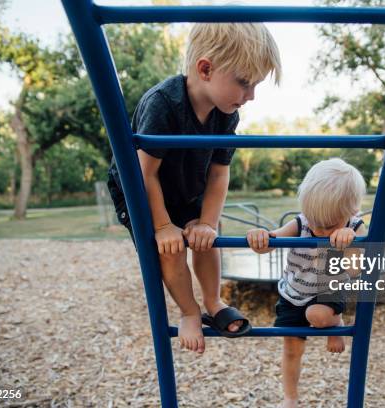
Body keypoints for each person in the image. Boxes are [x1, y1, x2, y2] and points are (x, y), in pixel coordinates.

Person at [107, 23, 281, 354]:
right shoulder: (164, 104)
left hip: (188, 183)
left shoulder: (227, 114)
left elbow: (218, 175)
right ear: (205, 69)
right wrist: (162, 225)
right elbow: (145, 174)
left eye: (255, 85)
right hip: (140, 188)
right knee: (170, 249)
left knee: (207, 240)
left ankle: (213, 302)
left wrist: (206, 222)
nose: (251, 96)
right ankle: (189, 312)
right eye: (244, 83)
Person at [246, 158, 366, 408]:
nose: (319, 230)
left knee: (318, 316)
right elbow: (271, 242)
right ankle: (290, 398)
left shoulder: (355, 227)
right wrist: (261, 238)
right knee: (291, 349)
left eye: (329, 225)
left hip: (328, 292)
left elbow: (356, 271)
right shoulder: (302, 222)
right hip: (293, 293)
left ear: (352, 211)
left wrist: (350, 243)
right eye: (314, 221)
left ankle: (335, 321)